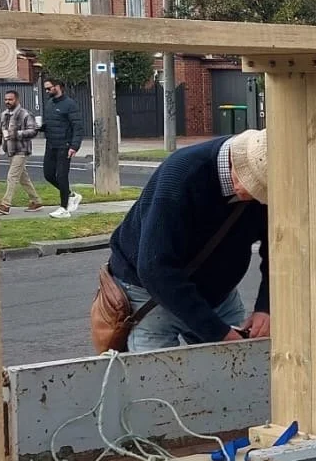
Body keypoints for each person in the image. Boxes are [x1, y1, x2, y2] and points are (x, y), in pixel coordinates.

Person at [105, 129, 270, 350]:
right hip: (149, 294)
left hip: (218, 295)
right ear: (236, 164)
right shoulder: (181, 175)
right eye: (253, 187)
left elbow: (278, 250)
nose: (255, 197)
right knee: (158, 381)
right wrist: (218, 332)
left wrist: (266, 307)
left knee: (238, 378)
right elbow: (154, 268)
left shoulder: (267, 177)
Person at [39, 78, 84, 214]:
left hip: (65, 145)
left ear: (57, 87)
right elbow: (51, 123)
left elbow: (77, 126)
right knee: (48, 174)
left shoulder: (70, 104)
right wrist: (40, 128)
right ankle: (71, 195)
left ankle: (64, 208)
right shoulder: (49, 104)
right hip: (51, 144)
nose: (47, 91)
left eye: (49, 88)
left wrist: (74, 146)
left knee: (62, 176)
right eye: (46, 89)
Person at [0, 90, 41, 214]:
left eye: (10, 99)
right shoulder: (3, 115)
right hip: (9, 150)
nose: (7, 102)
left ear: (17, 100)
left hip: (21, 150)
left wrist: (16, 134)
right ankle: (36, 201)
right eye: (6, 100)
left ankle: (5, 204)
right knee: (23, 178)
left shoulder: (25, 114)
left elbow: (33, 131)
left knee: (12, 176)